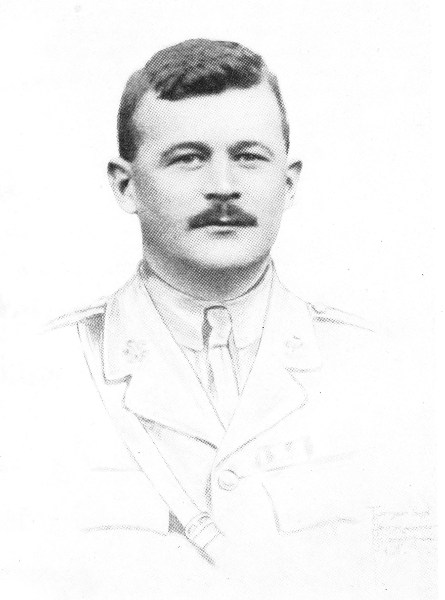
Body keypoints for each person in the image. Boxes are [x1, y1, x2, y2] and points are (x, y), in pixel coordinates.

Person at [27, 38, 426, 599]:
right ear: (126, 185)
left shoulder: (378, 366)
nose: (223, 186)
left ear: (288, 183)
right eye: (188, 158)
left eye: (249, 156)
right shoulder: (39, 373)